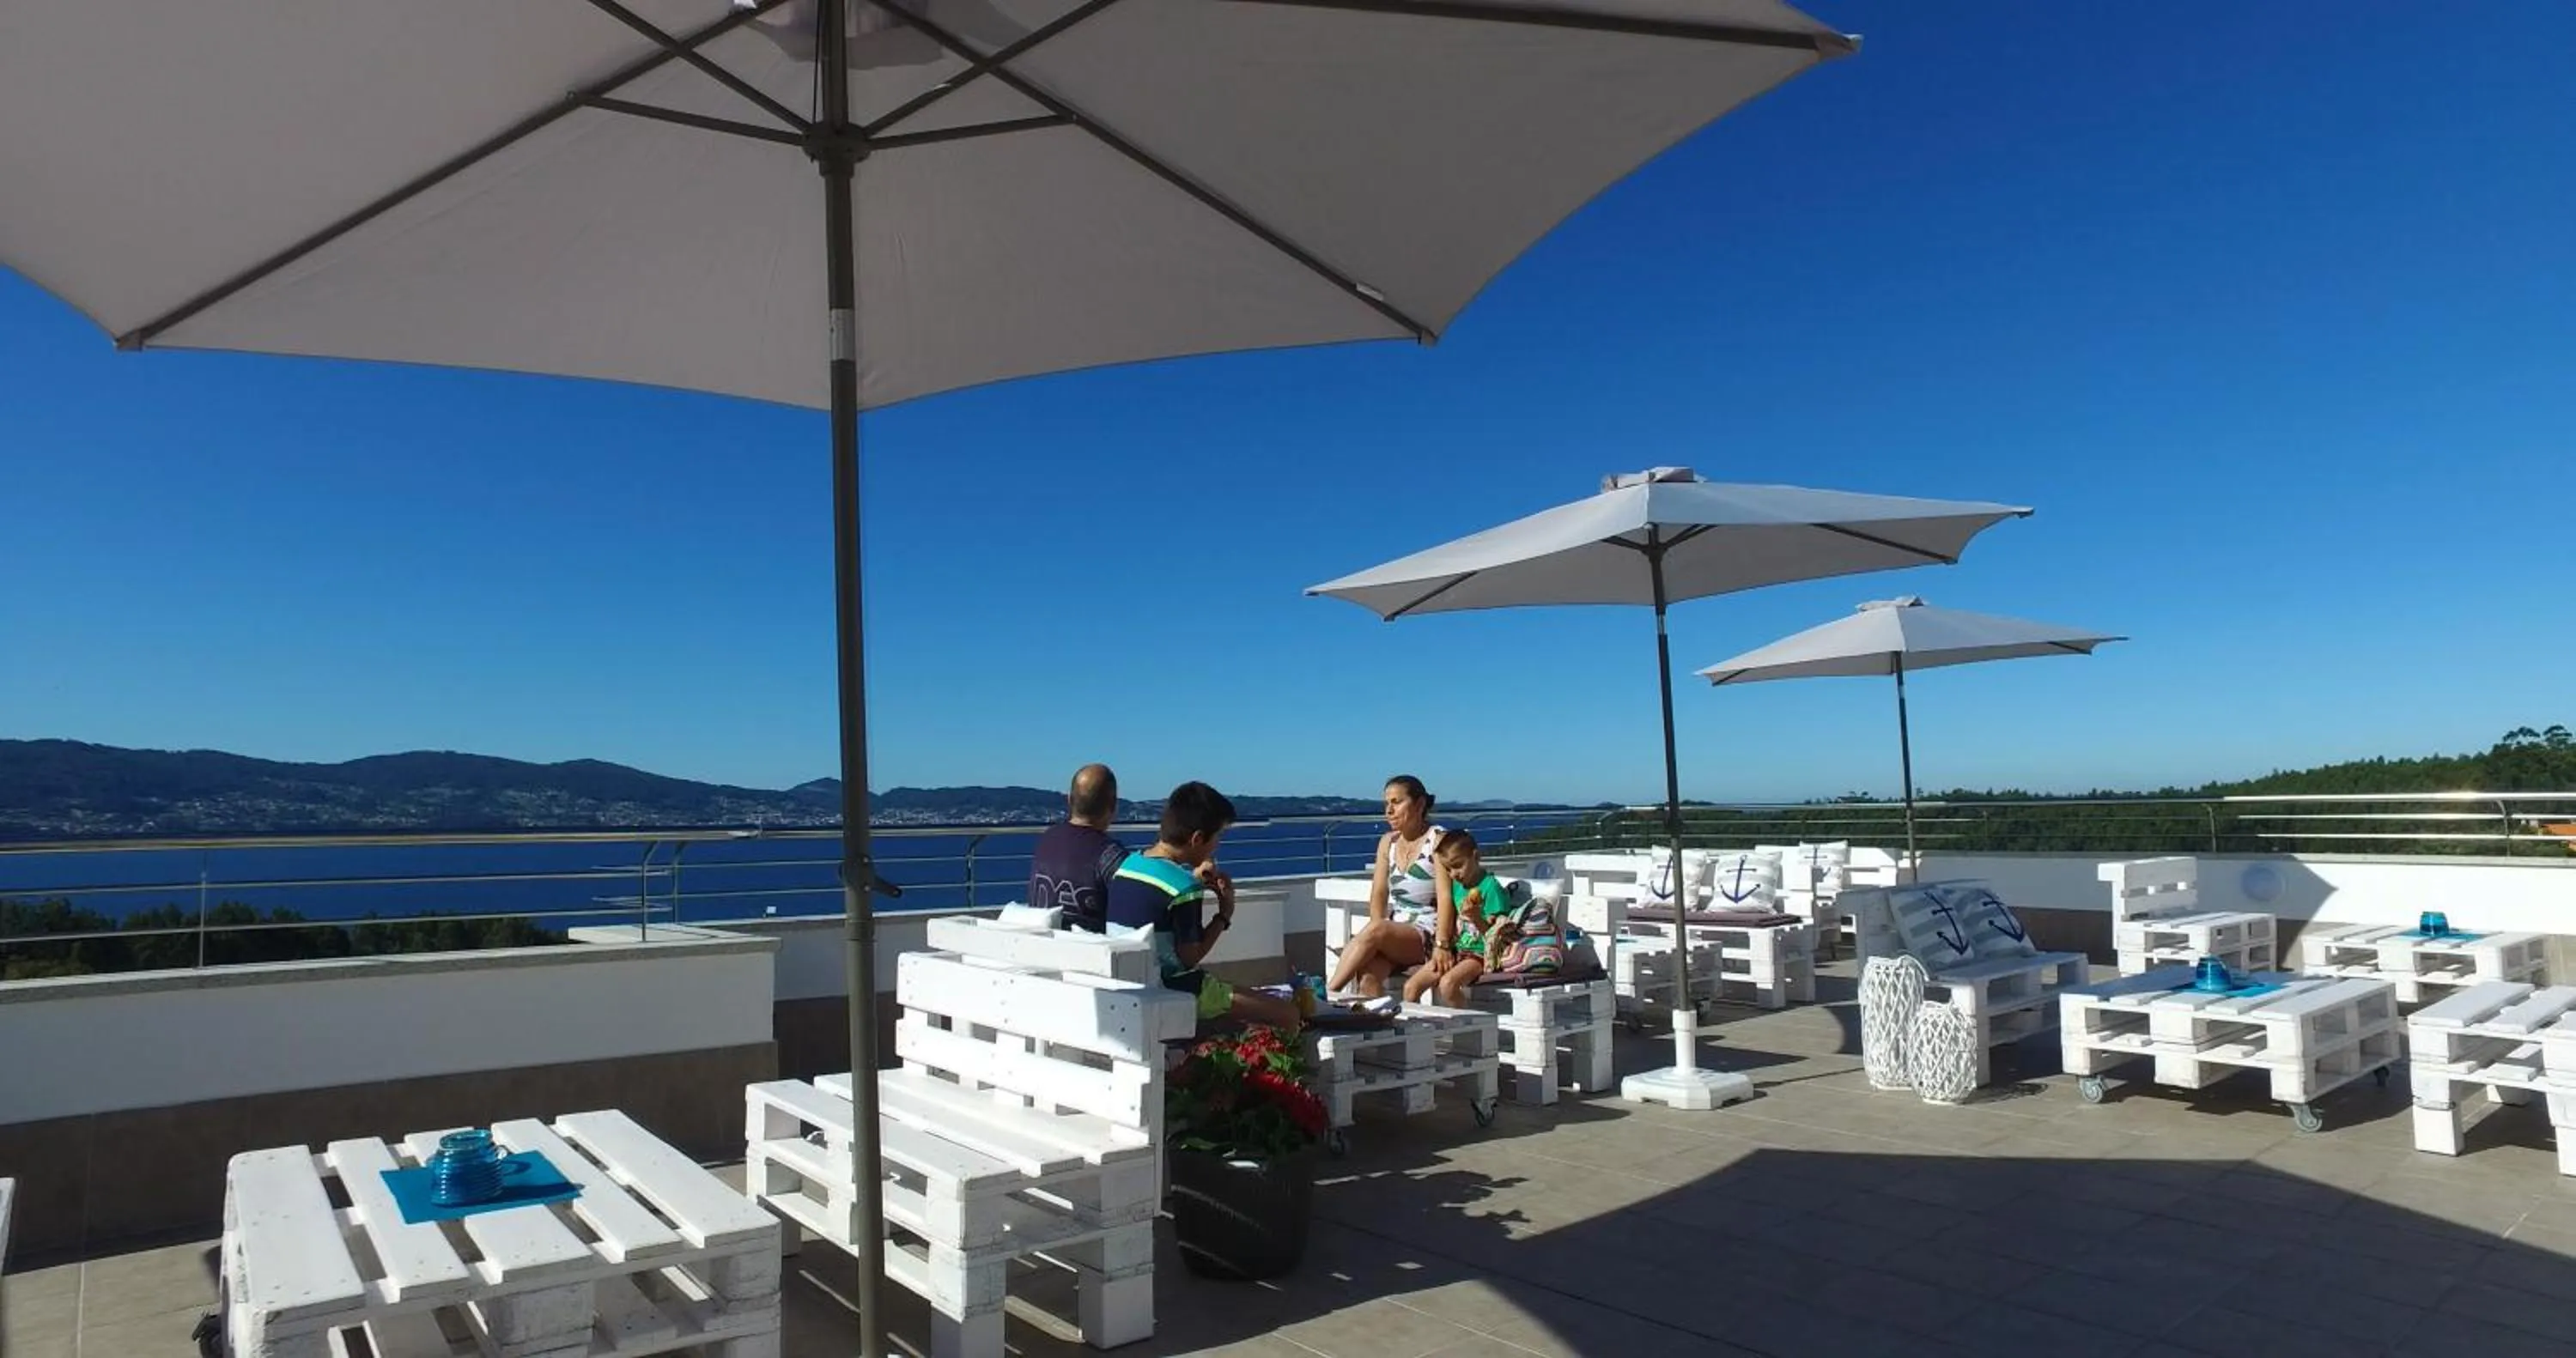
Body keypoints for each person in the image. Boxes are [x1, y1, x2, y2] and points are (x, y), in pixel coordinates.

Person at [1103, 780, 1301, 1031]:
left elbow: (1157, 903)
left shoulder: (1129, 866)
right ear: (1197, 838)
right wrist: (1224, 914)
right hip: (1173, 990)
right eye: (1217, 837)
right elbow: (1190, 959)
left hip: (1128, 988)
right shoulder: (1184, 888)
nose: (1217, 845)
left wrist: (1192, 881)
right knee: (1288, 1014)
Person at [1324, 775, 1448, 998]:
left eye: (1397, 802)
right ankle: (1381, 1026)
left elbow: (1446, 897)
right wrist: (1376, 940)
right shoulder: (1388, 842)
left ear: (1419, 804)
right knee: (1367, 978)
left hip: (1428, 934)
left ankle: (1327, 994)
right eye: (1386, 804)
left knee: (1376, 929)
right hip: (1395, 932)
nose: (1389, 810)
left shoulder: (1438, 840)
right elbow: (1378, 894)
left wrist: (1443, 944)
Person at [1403, 829, 1556, 1006]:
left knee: (1448, 985)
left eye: (1458, 865)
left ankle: (1464, 1028)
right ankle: (1415, 1029)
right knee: (1411, 987)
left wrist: (1476, 918)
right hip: (1458, 950)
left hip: (1481, 954)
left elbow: (1498, 936)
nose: (1453, 874)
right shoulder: (1457, 887)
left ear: (1476, 857)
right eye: (1448, 869)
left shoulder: (1491, 888)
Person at [1027, 763, 1126, 931]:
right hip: (1089, 953)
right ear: (1113, 806)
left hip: (1042, 946)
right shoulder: (1111, 856)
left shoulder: (1047, 839)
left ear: (1069, 799)